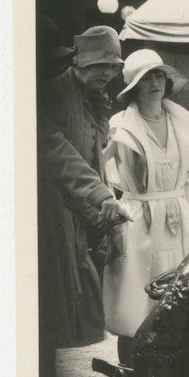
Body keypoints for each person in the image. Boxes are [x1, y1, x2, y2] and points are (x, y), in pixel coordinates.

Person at [101, 50, 189, 363]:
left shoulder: (181, 121)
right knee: (134, 307)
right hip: (138, 223)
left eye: (158, 75)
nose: (154, 82)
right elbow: (104, 176)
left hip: (179, 223)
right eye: (145, 77)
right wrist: (115, 217)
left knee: (176, 306)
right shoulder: (120, 126)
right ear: (133, 85)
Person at [37, 25, 134, 349]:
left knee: (76, 311)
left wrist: (104, 216)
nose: (107, 73)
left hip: (79, 217)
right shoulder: (52, 94)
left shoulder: (92, 97)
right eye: (99, 66)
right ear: (79, 63)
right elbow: (64, 157)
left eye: (112, 67)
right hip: (49, 216)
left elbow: (93, 160)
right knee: (51, 312)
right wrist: (102, 197)